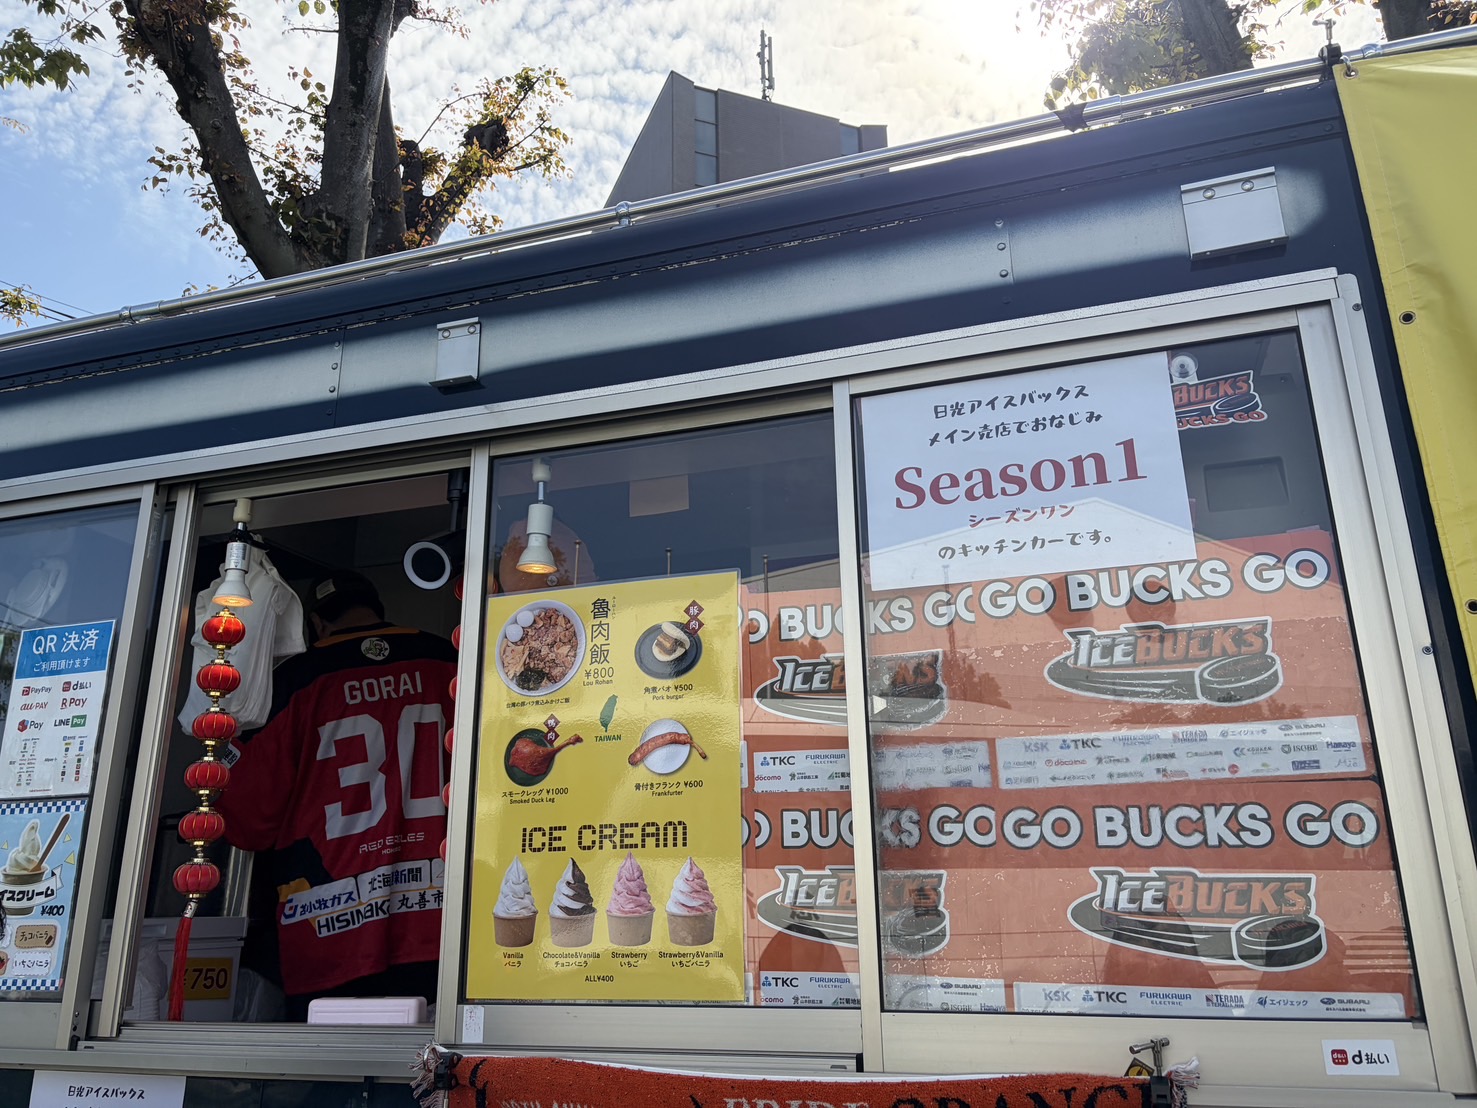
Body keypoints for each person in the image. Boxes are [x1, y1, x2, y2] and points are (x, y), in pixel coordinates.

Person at [218, 570, 456, 1020]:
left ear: (316, 623)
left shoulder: (293, 682)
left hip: (329, 929)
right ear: (377, 610)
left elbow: (247, 822)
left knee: (330, 1056)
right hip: (441, 925)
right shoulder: (447, 661)